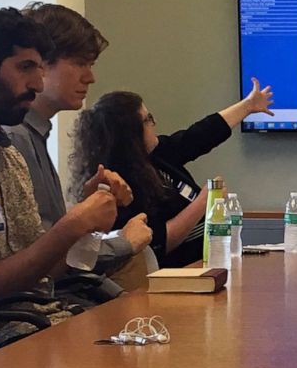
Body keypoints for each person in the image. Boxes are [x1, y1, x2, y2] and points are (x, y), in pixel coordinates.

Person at [0, 6, 120, 353]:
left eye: (39, 68)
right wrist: (71, 226)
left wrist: (85, 224)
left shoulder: (7, 156)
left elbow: (41, 269)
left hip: (45, 322)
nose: (37, 84)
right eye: (25, 68)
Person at [4, 2, 152, 276]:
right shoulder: (15, 138)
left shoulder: (34, 134)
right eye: (80, 63)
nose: (90, 77)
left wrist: (88, 207)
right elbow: (43, 258)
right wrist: (123, 243)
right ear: (40, 65)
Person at [70, 83, 273, 267]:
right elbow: (158, 243)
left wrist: (247, 106)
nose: (154, 122)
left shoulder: (157, 156)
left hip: (205, 265)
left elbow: (199, 136)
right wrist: (205, 201)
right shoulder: (120, 184)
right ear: (131, 133)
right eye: (148, 119)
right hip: (174, 274)